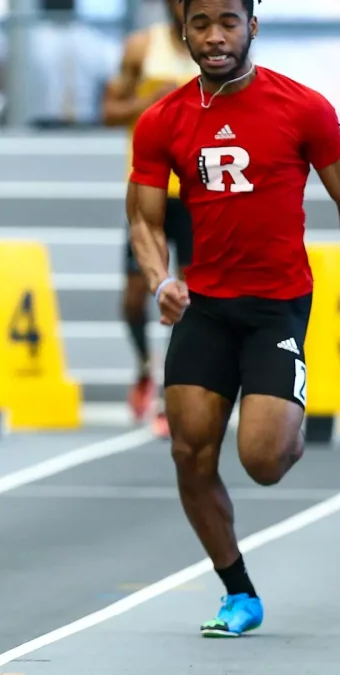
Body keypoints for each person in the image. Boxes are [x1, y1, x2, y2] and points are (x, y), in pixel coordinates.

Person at [129, 0, 340, 638]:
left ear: (252, 26)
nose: (214, 37)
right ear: (183, 31)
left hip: (276, 305)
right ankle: (238, 591)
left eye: (227, 22)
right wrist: (159, 279)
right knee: (190, 453)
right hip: (205, 307)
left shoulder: (304, 107)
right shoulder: (162, 119)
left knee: (265, 461)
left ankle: (288, 419)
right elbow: (144, 219)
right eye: (201, 25)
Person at [102, 0, 199, 437]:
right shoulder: (142, 49)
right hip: (150, 193)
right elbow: (108, 112)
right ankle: (144, 365)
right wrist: (148, 100)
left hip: (201, 194)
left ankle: (172, 394)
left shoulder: (218, 49)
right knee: (133, 297)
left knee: (191, 301)